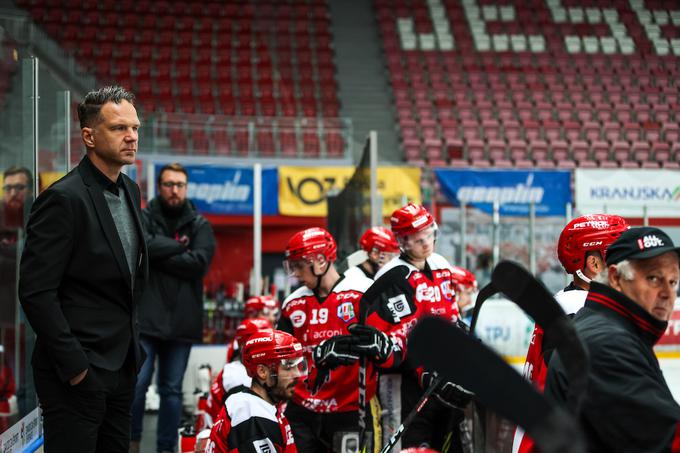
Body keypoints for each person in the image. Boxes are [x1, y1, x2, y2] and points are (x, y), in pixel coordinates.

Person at [18, 86, 147, 453]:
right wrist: (77, 368)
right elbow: (36, 292)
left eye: (135, 128)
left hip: (122, 368)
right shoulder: (62, 199)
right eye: (119, 128)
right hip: (77, 373)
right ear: (89, 136)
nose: (132, 137)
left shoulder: (131, 191)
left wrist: (132, 360)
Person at [545, 226, 680, 451]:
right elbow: (667, 439)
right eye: (654, 278)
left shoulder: (607, 326)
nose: (667, 293)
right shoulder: (607, 345)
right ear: (616, 278)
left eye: (673, 281)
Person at [359, 203, 471, 451]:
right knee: (410, 446)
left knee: (449, 442)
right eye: (416, 239)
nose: (425, 242)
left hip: (441, 376)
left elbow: (451, 314)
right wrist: (423, 369)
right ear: (402, 241)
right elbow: (394, 341)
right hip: (403, 385)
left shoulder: (441, 265)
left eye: (429, 234)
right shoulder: (393, 277)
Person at [512, 214, 627, 453]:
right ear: (594, 265)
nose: (629, 265)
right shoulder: (580, 311)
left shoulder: (568, 304)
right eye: (620, 256)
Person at [130, 163, 215, 453]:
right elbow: (140, 249)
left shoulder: (200, 225)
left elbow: (198, 264)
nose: (174, 190)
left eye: (179, 184)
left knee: (172, 391)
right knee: (136, 386)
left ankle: (167, 449)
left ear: (186, 188)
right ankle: (132, 444)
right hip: (146, 320)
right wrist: (180, 248)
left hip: (182, 322)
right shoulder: (142, 217)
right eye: (168, 184)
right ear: (159, 186)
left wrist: (157, 251)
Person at [277, 227, 381, 451]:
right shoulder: (292, 304)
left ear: (321, 261)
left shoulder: (364, 294)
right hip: (302, 412)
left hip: (350, 409)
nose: (295, 273)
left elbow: (386, 350)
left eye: (299, 266)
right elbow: (281, 360)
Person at [205, 329, 307, 453]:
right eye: (288, 367)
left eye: (298, 366)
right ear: (262, 372)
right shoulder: (253, 415)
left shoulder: (258, 406)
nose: (297, 374)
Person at [206, 317, 273, 424]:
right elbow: (248, 420)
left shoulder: (251, 367)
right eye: (263, 342)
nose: (269, 347)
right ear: (243, 345)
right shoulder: (235, 375)